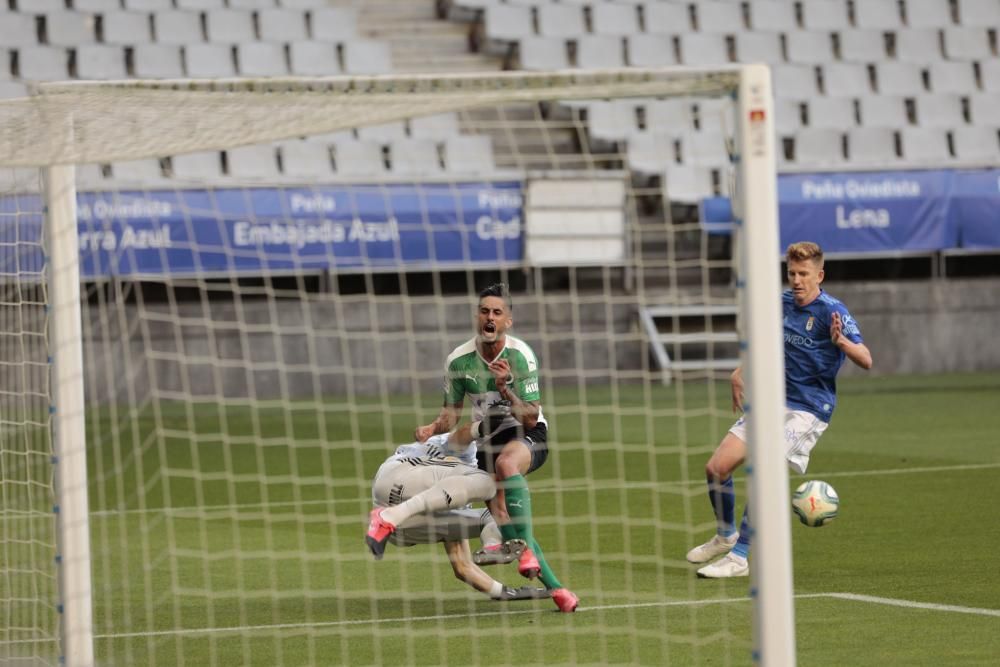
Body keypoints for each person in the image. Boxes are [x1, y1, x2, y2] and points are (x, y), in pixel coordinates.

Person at [688, 241, 873, 578]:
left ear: (820, 275)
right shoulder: (783, 303)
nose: (797, 280)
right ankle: (725, 535)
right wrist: (739, 371)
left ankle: (740, 558)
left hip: (808, 409)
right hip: (773, 401)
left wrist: (842, 343)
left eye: (804, 274)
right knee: (716, 467)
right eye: (792, 273)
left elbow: (866, 359)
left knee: (764, 473)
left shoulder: (833, 311)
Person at [413, 283, 579, 612]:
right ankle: (559, 591)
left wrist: (506, 389)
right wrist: (433, 427)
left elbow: (531, 418)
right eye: (485, 311)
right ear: (477, 316)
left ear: (508, 321)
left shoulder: (520, 356)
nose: (490, 317)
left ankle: (527, 556)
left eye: (497, 312)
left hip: (525, 433)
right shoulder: (459, 361)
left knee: (506, 466)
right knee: (503, 516)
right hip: (486, 441)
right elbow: (450, 414)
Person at [365, 431, 550, 602]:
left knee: (493, 514)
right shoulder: (467, 459)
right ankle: (491, 543)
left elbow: (463, 567)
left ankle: (491, 546)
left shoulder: (454, 492)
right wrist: (480, 427)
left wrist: (506, 592)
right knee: (492, 490)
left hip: (401, 529)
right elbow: (461, 435)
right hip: (400, 476)